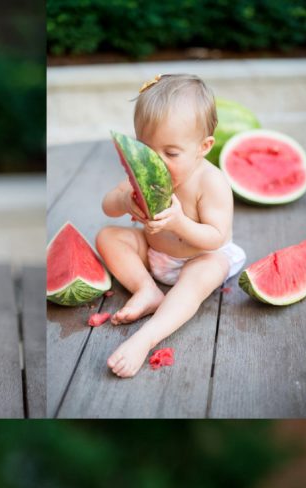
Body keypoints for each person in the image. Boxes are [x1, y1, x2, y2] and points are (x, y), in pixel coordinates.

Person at [96, 73, 245, 378]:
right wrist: (125, 200)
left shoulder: (210, 182)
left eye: (171, 153)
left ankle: (146, 337)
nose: (157, 163)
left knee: (203, 271)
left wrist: (179, 223)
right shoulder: (144, 171)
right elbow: (107, 207)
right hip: (154, 252)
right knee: (108, 236)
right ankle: (146, 289)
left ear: (203, 146)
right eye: (147, 150)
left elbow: (216, 237)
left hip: (201, 256)